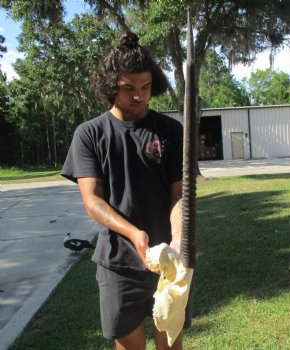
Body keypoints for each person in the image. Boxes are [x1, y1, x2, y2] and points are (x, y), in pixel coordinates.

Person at [61, 32, 190, 350]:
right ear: (110, 87)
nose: (139, 96)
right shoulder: (90, 134)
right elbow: (93, 202)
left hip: (169, 260)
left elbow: (179, 195)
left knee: (171, 342)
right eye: (129, 89)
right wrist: (135, 234)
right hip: (118, 263)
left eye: (145, 87)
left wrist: (178, 240)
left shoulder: (171, 131)